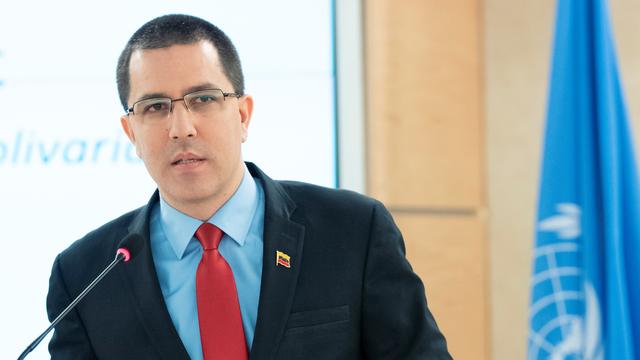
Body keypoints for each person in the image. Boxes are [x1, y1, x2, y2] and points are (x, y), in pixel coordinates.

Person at [46, 14, 451, 359]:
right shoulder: (85, 275)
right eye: (155, 108)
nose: (181, 128)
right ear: (130, 132)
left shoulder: (354, 231)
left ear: (242, 115)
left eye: (202, 99)